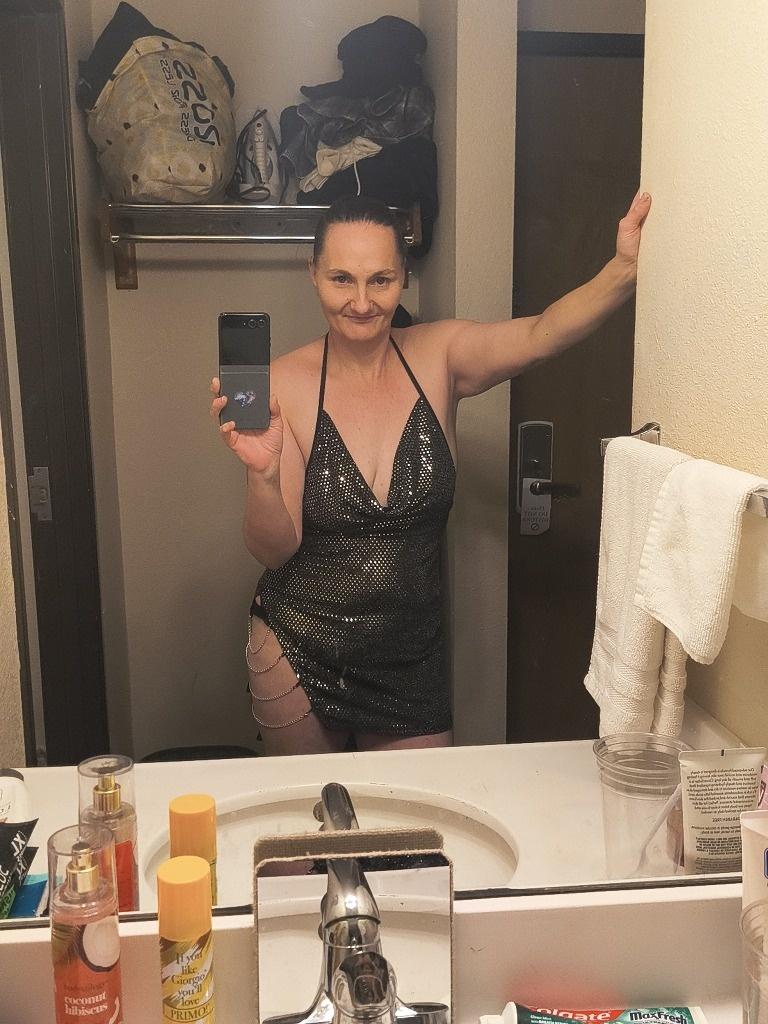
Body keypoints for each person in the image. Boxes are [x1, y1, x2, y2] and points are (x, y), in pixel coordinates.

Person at [210, 192, 651, 757]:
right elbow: (274, 550)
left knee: (415, 815)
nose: (362, 302)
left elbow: (541, 334)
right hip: (298, 645)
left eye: (381, 280)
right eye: (342, 279)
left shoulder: (441, 356)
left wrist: (623, 270)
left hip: (411, 659)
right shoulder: (283, 383)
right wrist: (264, 475)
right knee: (309, 812)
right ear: (313, 273)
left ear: (405, 276)